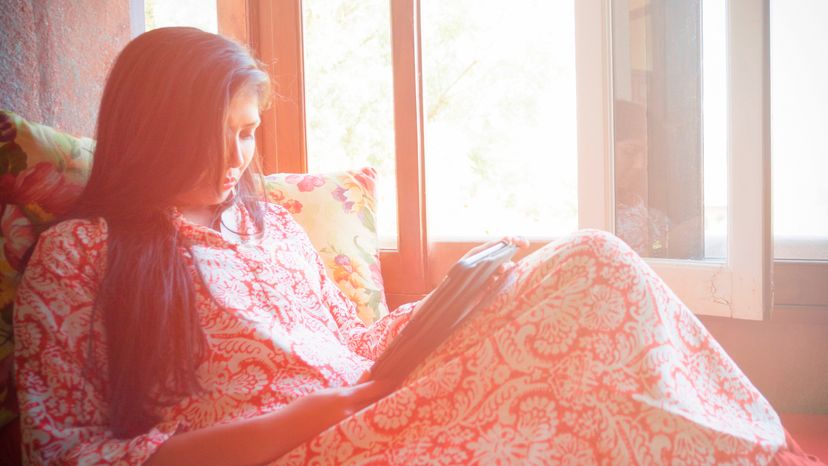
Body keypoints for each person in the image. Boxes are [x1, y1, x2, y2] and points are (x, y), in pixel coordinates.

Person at [12, 27, 820, 465]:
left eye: (248, 133)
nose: (234, 161)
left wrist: (459, 303)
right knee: (578, 366)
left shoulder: (272, 227)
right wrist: (303, 417)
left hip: (378, 400)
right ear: (149, 128)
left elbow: (351, 340)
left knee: (589, 261)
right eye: (210, 136)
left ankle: (758, 451)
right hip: (302, 444)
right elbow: (65, 452)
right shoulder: (83, 253)